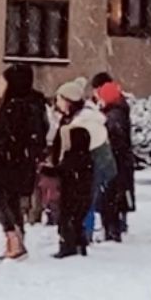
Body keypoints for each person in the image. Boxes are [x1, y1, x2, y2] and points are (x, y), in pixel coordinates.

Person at [0, 64, 48, 261]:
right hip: (23, 161)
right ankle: (17, 241)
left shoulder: (14, 106)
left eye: (2, 82)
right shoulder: (35, 104)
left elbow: (4, 136)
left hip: (9, 162)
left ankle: (14, 240)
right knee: (12, 201)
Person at [52, 78, 116, 247]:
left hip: (87, 170)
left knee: (80, 204)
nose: (57, 103)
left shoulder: (82, 122)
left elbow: (80, 151)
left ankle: (80, 238)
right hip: (85, 169)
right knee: (81, 203)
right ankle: (79, 237)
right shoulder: (77, 119)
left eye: (59, 99)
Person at [46, 127, 94, 258]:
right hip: (84, 194)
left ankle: (68, 246)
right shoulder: (88, 157)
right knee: (77, 221)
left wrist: (45, 169)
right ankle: (80, 245)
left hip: (70, 194)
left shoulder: (72, 157)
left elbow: (61, 171)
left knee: (67, 220)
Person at [96, 81, 134, 241]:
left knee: (110, 198)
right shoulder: (119, 112)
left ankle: (112, 231)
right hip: (121, 163)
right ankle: (114, 228)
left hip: (115, 163)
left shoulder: (113, 116)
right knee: (115, 198)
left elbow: (116, 140)